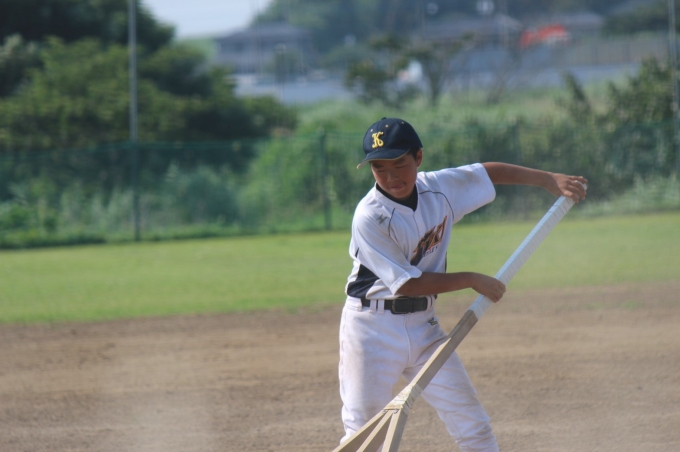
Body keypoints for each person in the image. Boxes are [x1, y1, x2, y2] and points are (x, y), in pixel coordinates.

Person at [339, 117, 587, 451]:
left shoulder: (438, 188)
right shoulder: (370, 216)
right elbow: (406, 285)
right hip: (372, 331)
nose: (391, 176)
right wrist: (471, 279)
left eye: (399, 164)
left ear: (418, 157)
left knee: (473, 426)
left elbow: (487, 173)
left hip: (424, 327)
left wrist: (547, 180)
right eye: (379, 168)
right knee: (364, 435)